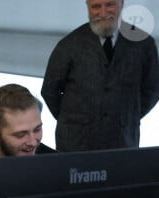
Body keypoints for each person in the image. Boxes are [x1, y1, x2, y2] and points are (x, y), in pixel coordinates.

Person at [41, 0, 159, 152]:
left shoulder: (144, 43)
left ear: (121, 3)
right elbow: (50, 91)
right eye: (96, 6)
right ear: (87, 7)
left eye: (109, 4)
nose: (103, 13)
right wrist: (72, 120)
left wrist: (127, 117)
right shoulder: (68, 45)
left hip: (123, 143)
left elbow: (152, 89)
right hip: (74, 145)